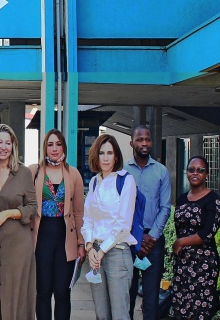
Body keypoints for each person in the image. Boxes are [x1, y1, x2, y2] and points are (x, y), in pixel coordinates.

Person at [0, 123, 37, 320]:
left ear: (13, 146)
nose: (3, 147)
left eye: (8, 142)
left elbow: (32, 207)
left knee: (16, 297)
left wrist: (9, 213)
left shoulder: (23, 173)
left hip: (17, 246)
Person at [29, 129, 85, 320]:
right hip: (41, 238)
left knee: (62, 293)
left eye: (58, 144)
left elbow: (79, 213)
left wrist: (80, 244)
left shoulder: (73, 174)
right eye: (50, 144)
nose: (54, 148)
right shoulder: (34, 171)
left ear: (64, 147)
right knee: (42, 292)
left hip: (65, 239)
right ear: (44, 146)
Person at [81, 133, 137, 320]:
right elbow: (88, 218)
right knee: (101, 314)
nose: (105, 157)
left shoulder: (125, 180)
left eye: (109, 153)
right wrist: (90, 247)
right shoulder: (95, 181)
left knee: (120, 314)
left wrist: (102, 250)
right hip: (95, 252)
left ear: (116, 156)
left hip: (116, 253)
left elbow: (123, 225)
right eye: (101, 153)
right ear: (95, 156)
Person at [126, 125, 171, 320]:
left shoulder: (162, 171)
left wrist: (151, 236)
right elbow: (120, 208)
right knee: (127, 293)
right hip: (127, 241)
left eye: (147, 139)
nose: (144, 143)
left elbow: (165, 207)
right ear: (132, 143)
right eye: (140, 139)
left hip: (154, 243)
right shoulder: (122, 171)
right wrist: (136, 235)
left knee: (152, 297)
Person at [170, 155, 220, 320]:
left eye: (200, 170)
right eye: (191, 170)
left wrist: (181, 242)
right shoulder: (181, 198)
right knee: (181, 309)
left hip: (203, 264)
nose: (195, 173)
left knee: (199, 311)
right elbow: (179, 227)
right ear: (186, 173)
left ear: (207, 174)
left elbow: (208, 233)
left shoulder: (213, 200)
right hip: (182, 263)